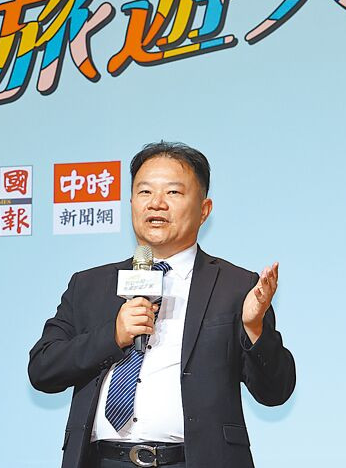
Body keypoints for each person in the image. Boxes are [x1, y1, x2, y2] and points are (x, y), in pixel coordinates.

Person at [28, 142, 295, 468]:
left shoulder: (236, 286)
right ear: (131, 203)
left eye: (173, 192)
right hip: (103, 460)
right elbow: (42, 369)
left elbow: (275, 391)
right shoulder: (89, 285)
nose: (156, 203)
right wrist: (113, 336)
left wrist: (253, 328)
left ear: (204, 209)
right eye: (144, 192)